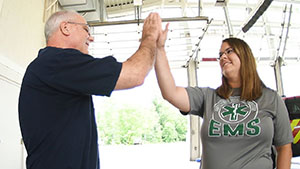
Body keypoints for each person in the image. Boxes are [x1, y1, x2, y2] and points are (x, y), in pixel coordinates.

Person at [18, 10, 162, 169]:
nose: (91, 38)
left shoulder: (52, 68)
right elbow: (135, 74)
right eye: (86, 29)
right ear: (65, 28)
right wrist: (150, 37)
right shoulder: (58, 61)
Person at [155, 25, 293, 169]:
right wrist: (159, 49)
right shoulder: (207, 97)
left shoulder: (271, 99)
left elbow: (284, 148)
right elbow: (170, 93)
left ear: (244, 56)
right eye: (220, 55)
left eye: (229, 51)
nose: (223, 57)